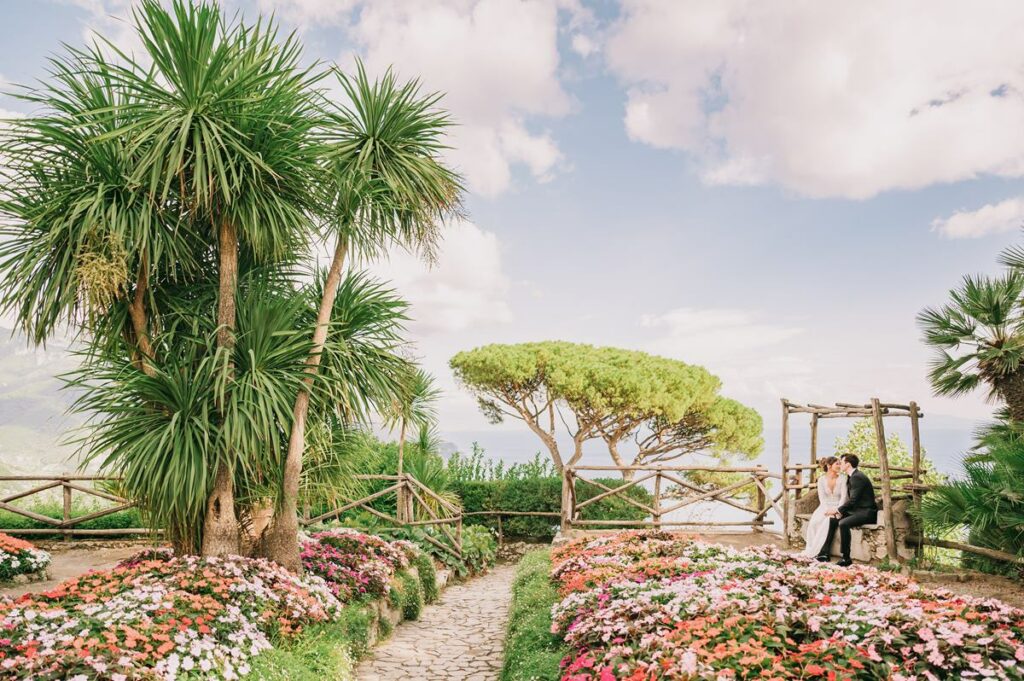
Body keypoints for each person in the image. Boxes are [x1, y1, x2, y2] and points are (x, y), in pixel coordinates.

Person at [818, 453, 878, 566]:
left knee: (844, 523)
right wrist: (837, 512)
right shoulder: (852, 476)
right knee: (833, 519)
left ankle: (846, 558)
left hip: (867, 512)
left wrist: (837, 510)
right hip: (858, 510)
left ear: (848, 464)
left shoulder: (857, 477)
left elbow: (853, 501)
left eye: (842, 462)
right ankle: (824, 552)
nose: (840, 465)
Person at [801, 457, 847, 558]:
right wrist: (827, 510)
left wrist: (836, 510)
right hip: (824, 507)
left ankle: (823, 552)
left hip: (839, 507)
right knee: (814, 523)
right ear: (829, 466)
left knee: (827, 522)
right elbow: (822, 498)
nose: (840, 466)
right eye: (837, 464)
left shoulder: (843, 478)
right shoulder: (821, 480)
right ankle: (813, 548)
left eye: (840, 463)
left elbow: (843, 497)